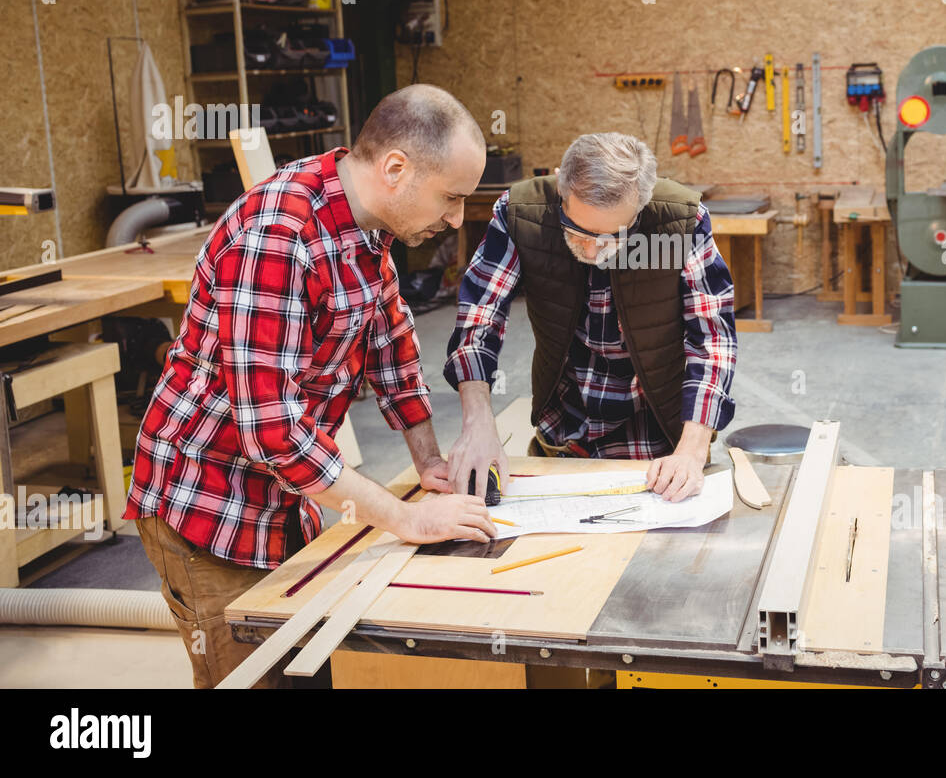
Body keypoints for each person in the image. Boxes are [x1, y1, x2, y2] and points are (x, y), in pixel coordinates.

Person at [125, 84, 497, 688]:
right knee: (251, 678)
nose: (456, 218)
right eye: (451, 198)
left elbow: (390, 341)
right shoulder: (276, 235)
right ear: (396, 169)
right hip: (207, 503)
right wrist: (408, 521)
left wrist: (428, 462)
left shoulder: (367, 220)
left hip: (287, 498)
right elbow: (274, 433)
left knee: (309, 667)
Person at [444, 131, 737, 504]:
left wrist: (692, 450)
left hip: (661, 435)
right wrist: (478, 423)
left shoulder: (682, 220)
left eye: (615, 234)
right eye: (579, 230)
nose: (595, 248)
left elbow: (713, 339)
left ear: (641, 207)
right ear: (561, 192)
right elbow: (479, 319)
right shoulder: (521, 213)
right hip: (565, 429)